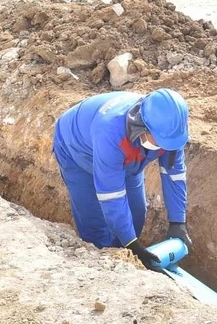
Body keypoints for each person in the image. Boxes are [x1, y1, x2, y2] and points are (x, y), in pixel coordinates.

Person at [52, 88, 191, 268]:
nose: (164, 147)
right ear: (143, 127)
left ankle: (126, 256)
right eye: (159, 142)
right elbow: (111, 195)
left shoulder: (171, 131)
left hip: (126, 158)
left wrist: (178, 221)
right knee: (95, 222)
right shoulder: (110, 133)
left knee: (135, 215)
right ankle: (105, 268)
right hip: (76, 151)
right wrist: (130, 244)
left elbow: (174, 175)